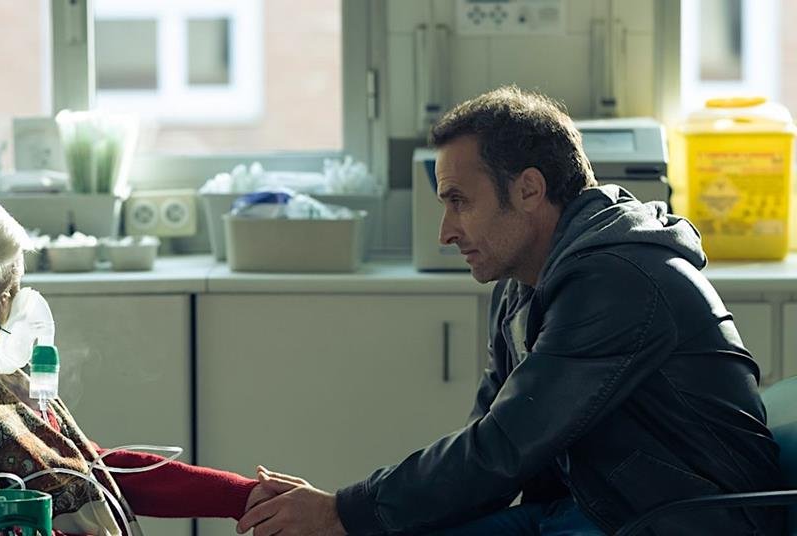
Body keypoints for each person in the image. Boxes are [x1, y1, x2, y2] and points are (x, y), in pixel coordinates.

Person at [237, 86, 785, 535]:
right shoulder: (525, 281)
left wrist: (343, 511)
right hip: (593, 507)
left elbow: (504, 447)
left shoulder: (619, 281)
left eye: (459, 201)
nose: (446, 232)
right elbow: (489, 445)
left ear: (528, 189)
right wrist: (349, 515)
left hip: (677, 520)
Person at [0, 183, 275, 534]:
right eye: (6, 293)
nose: (16, 311)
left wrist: (244, 496)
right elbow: (0, 525)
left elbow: (83, 469)